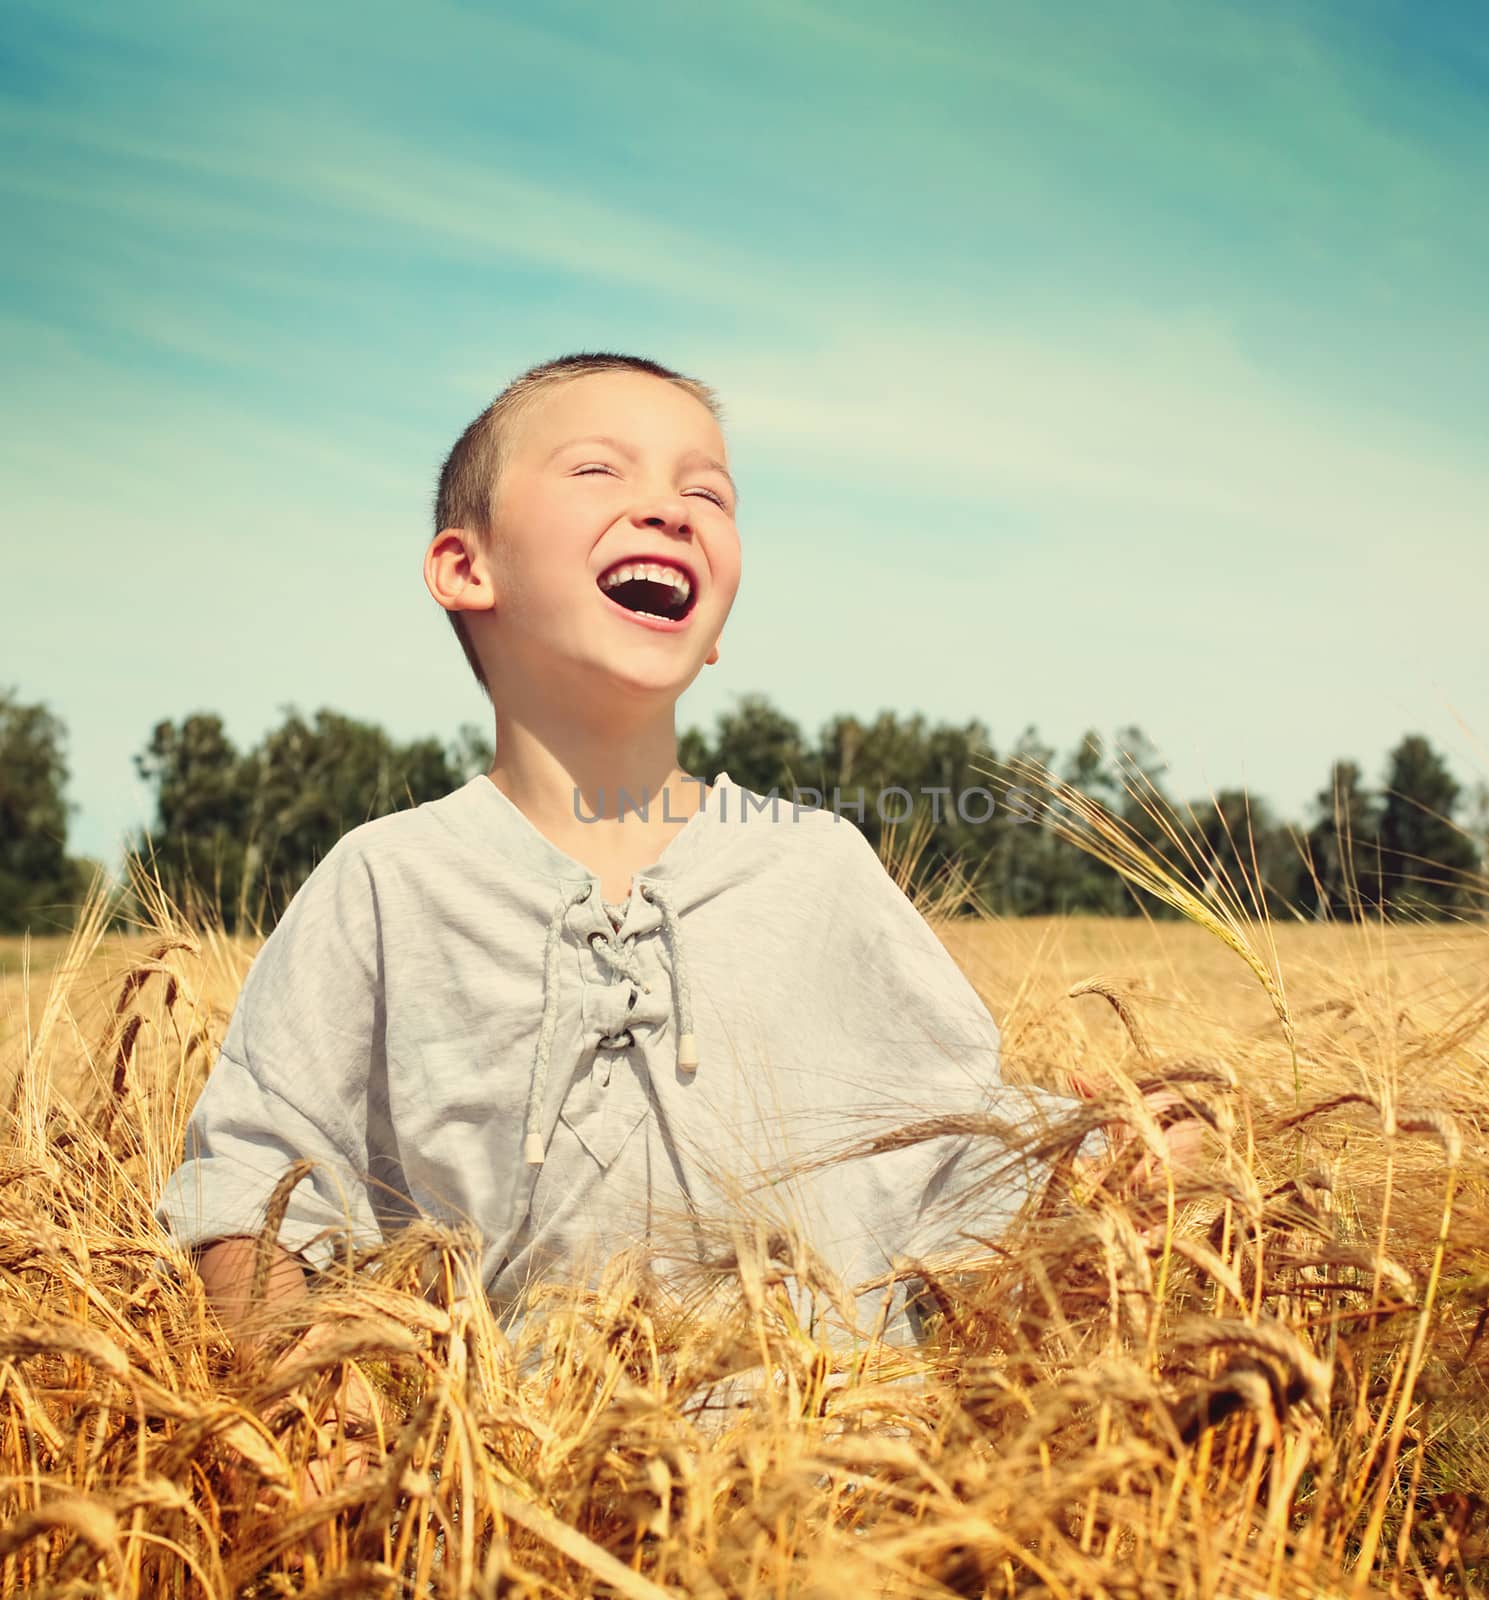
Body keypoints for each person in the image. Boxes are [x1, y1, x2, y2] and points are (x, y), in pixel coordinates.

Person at [157, 352, 1179, 1426]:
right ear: (466, 566)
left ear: (720, 618)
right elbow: (254, 1186)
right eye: (600, 469)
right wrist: (321, 1429)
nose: (669, 509)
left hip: (841, 1506)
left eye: (708, 493)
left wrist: (1134, 1155)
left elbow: (962, 1159)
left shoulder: (818, 869)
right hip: (519, 1516)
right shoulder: (383, 881)